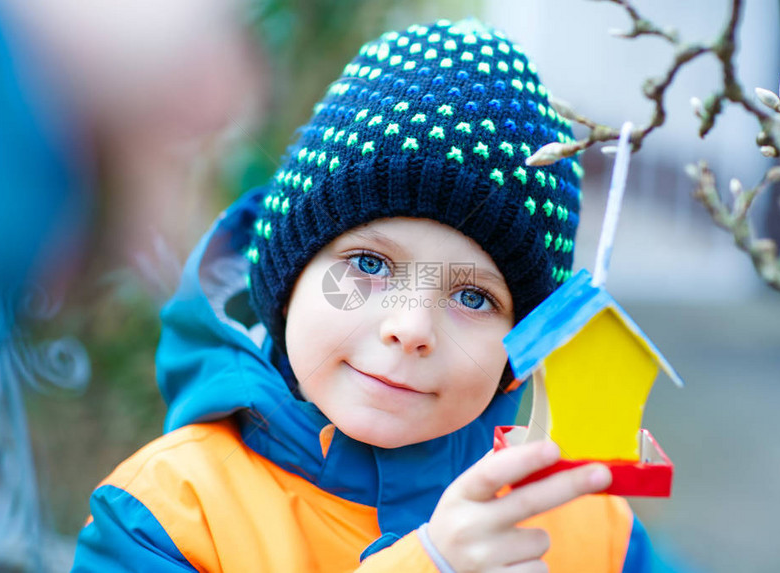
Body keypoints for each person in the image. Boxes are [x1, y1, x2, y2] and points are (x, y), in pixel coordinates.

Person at [72, 18, 666, 572]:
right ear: (288, 277)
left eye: (474, 298)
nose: (411, 329)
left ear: (523, 348)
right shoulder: (170, 516)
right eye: (370, 263)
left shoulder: (592, 526)